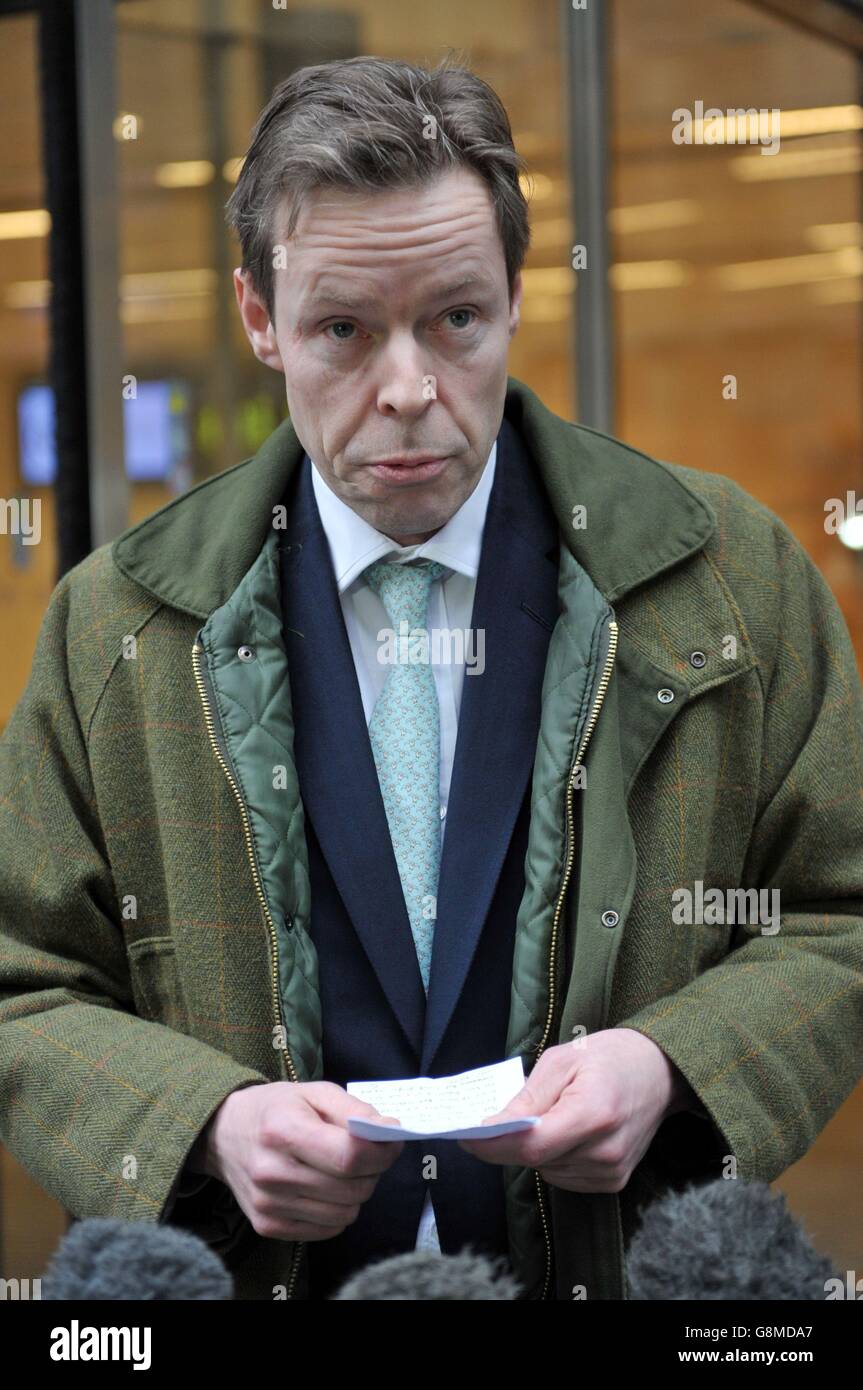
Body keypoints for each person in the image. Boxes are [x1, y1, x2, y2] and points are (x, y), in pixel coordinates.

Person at [1, 55, 861, 1302]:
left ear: (515, 294)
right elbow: (23, 977)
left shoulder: (726, 580)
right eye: (342, 329)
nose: (407, 391)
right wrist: (203, 1121)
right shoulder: (116, 628)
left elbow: (836, 907)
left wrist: (670, 1064)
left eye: (454, 318)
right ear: (259, 318)